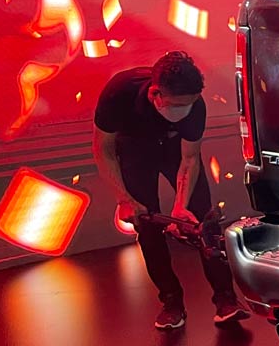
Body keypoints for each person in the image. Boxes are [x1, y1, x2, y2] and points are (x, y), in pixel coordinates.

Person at [93, 51, 246, 330]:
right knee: (147, 225)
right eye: (177, 105)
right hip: (135, 149)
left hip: (175, 148)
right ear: (156, 94)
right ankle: (172, 303)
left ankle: (226, 300)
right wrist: (124, 199)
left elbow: (190, 159)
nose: (184, 109)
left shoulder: (195, 107)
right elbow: (103, 150)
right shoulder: (119, 93)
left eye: (190, 103)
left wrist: (180, 206)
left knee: (203, 221)